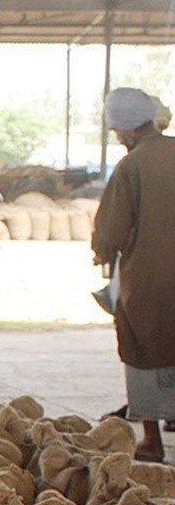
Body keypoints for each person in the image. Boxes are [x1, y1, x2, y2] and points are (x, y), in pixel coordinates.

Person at [93, 87, 175, 463]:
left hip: (150, 278)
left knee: (142, 348)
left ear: (124, 131)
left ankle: (152, 442)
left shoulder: (132, 165)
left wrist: (102, 252)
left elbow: (112, 228)